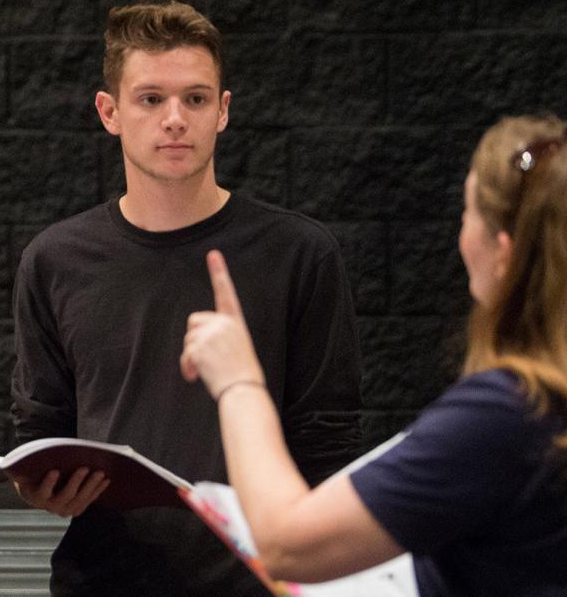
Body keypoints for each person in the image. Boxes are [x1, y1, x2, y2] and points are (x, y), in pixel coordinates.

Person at [11, 0, 363, 595]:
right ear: (110, 112)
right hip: (102, 581)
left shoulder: (300, 253)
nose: (175, 118)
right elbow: (39, 428)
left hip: (255, 585)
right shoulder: (54, 260)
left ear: (222, 111)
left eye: (195, 99)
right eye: (151, 99)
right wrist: (39, 487)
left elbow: (328, 446)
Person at [181, 114, 567, 596]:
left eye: (466, 213)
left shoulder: (509, 413)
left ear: (504, 254)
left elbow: (286, 547)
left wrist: (239, 381)